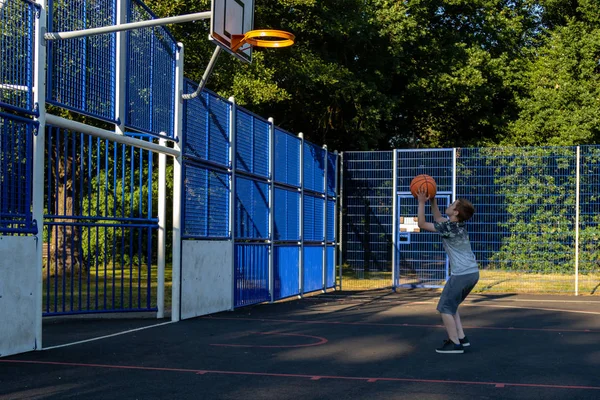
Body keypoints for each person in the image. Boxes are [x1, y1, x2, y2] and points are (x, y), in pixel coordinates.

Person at [416, 188, 479, 354]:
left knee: (444, 308)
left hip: (462, 275)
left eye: (453, 204)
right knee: (453, 306)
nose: (450, 204)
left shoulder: (449, 228)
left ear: (456, 212)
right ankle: (461, 338)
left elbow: (421, 224)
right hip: (472, 273)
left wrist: (421, 202)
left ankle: (454, 343)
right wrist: (432, 200)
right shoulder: (457, 226)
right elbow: (437, 218)